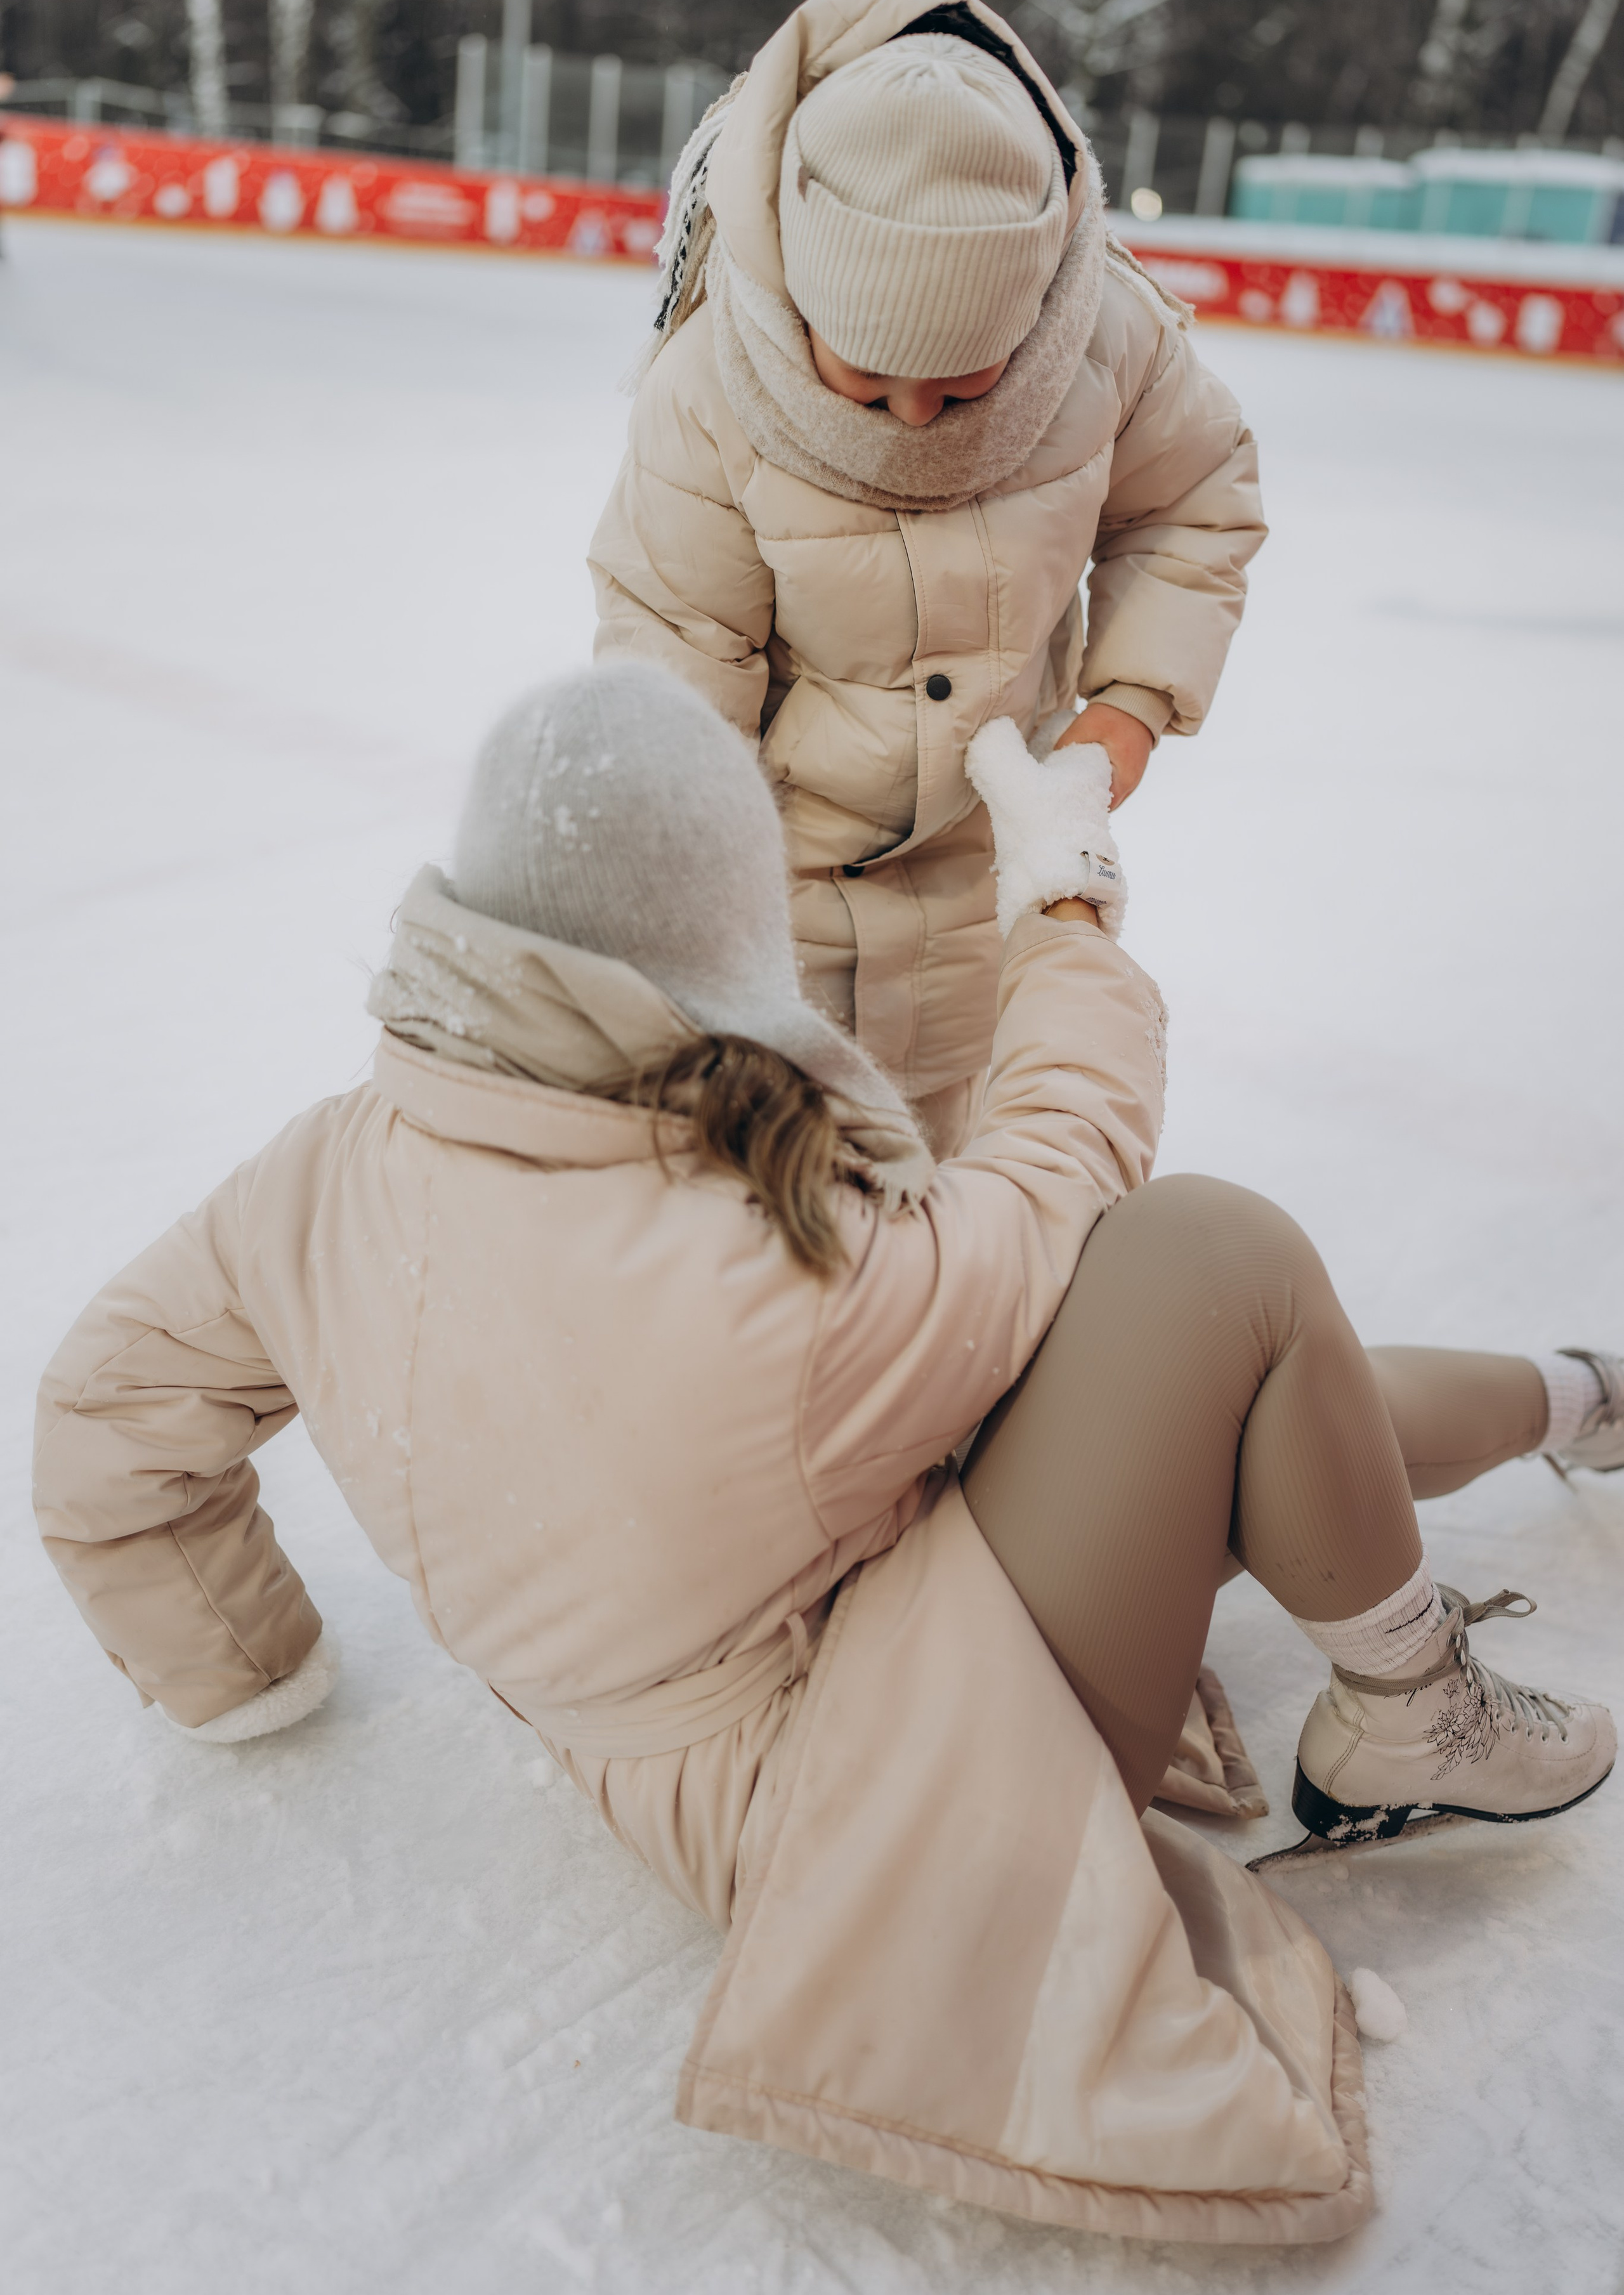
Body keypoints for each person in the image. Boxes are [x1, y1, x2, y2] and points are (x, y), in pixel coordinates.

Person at [34, 667, 1618, 2247]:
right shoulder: (774, 1276)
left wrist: (237, 1661)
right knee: (1215, 1257)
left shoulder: (315, 1173)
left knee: (1242, 1370)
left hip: (731, 1679)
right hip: (874, 1804)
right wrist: (1062, 897)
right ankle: (1415, 1705)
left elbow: (107, 1417)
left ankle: (1576, 1398)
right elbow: (1070, 1162)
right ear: (725, 934)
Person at [589, 0, 1266, 1155]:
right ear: (802, 291)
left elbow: (1194, 505)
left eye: (964, 384)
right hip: (774, 905)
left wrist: (1132, 711)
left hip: (990, 894)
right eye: (871, 373)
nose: (913, 415)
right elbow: (677, 658)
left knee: (968, 1233)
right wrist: (694, 929)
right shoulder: (709, 393)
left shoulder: (1109, 336)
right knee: (782, 1237)